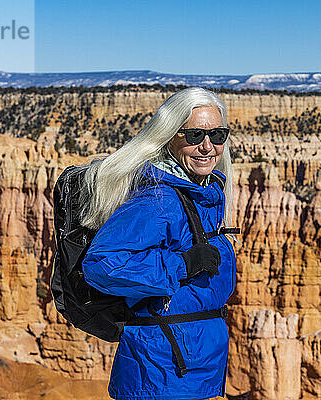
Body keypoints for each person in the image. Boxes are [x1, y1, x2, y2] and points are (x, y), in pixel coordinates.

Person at [79, 87, 237, 400]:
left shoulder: (201, 195)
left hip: (188, 369)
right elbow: (99, 265)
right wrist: (183, 264)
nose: (207, 147)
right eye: (193, 136)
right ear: (169, 136)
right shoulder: (158, 199)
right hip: (162, 372)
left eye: (217, 135)